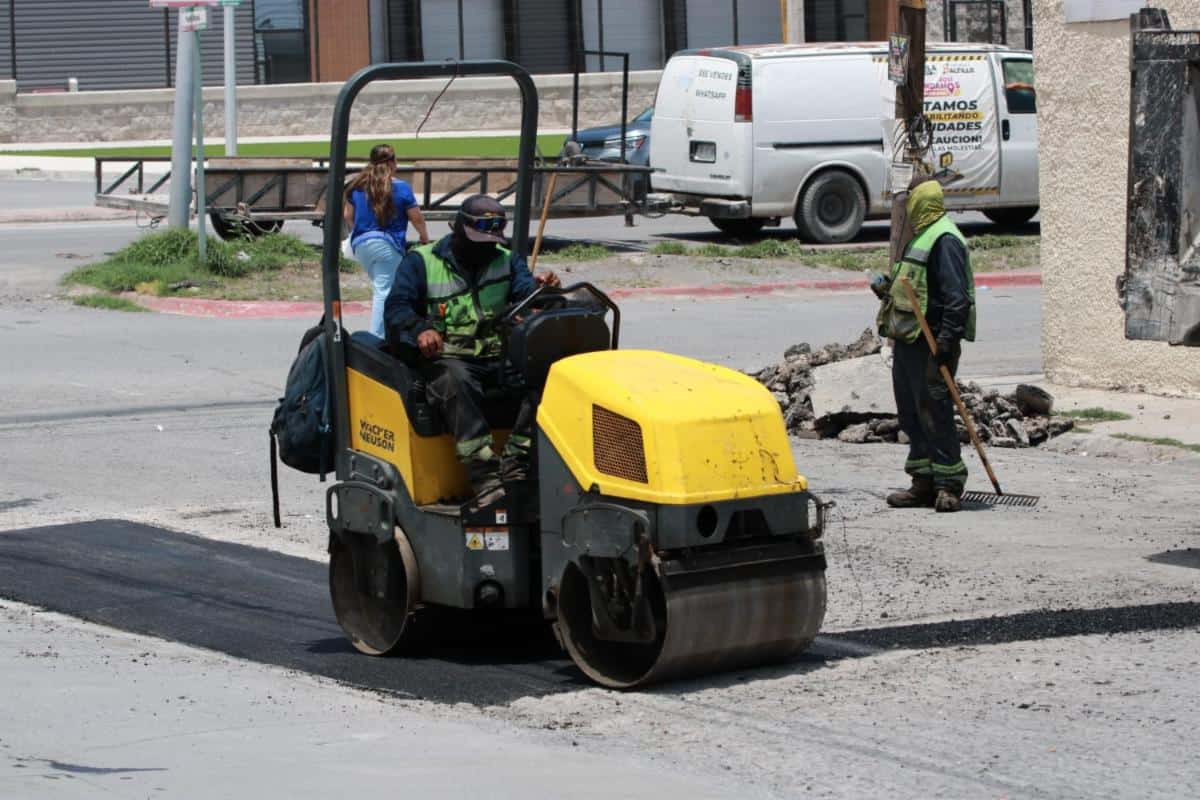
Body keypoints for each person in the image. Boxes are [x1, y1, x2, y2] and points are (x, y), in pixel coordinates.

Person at [383, 194, 559, 504]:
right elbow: (397, 309)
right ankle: (485, 475)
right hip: (447, 359)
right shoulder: (422, 262)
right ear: (458, 229)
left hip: (498, 358)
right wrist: (420, 329)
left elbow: (527, 297)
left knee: (552, 377)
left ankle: (517, 463)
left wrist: (543, 293)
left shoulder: (506, 259)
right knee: (456, 381)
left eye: (492, 240)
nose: (486, 247)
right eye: (479, 240)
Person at [875, 179, 976, 513]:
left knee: (935, 412)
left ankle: (949, 484)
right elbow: (916, 287)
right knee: (912, 414)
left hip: (931, 341)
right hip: (909, 340)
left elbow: (956, 298)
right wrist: (887, 289)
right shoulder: (922, 236)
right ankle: (922, 481)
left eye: (912, 203)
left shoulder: (945, 239)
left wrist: (946, 342)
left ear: (923, 203)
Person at [343, 143, 430, 338]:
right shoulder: (400, 187)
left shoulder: (356, 186)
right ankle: (377, 339)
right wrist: (424, 236)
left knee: (381, 287)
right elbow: (416, 217)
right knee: (384, 292)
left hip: (361, 244)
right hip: (386, 245)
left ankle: (388, 333)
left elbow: (348, 216)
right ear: (392, 162)